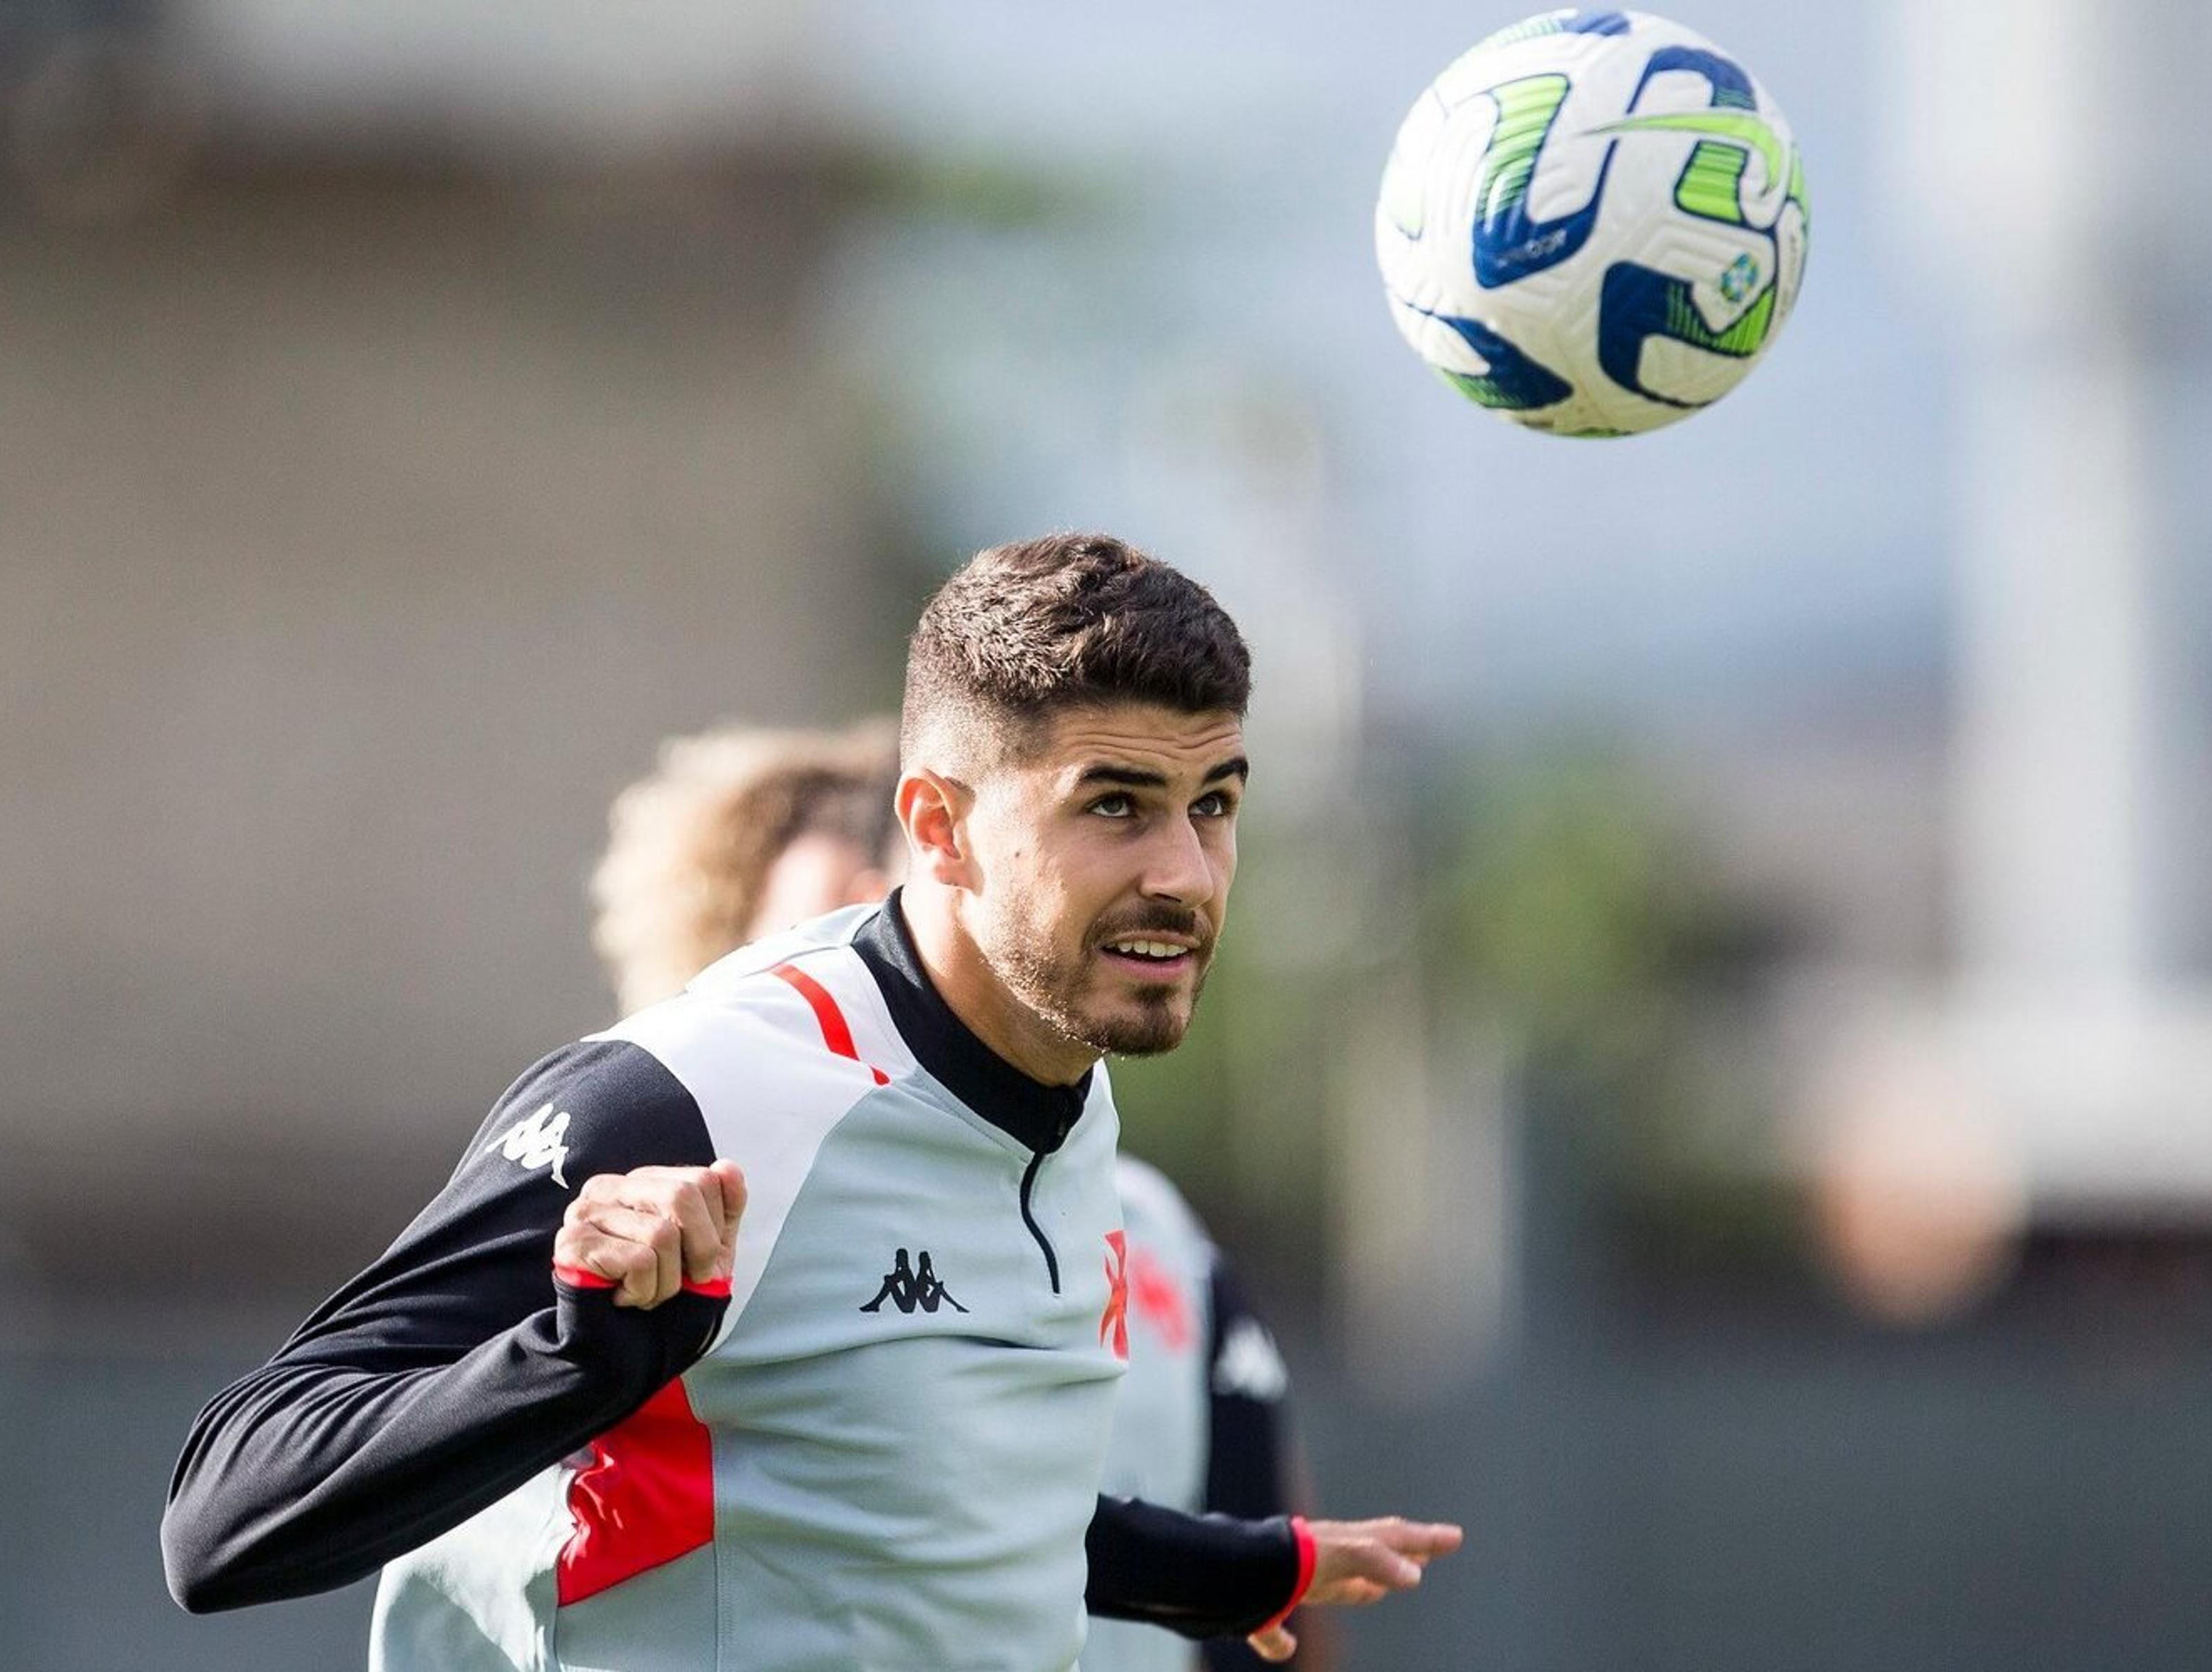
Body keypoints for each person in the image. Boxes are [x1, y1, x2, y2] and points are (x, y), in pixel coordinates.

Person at [162, 534, 1458, 1671]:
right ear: (937, 829)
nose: (1183, 871)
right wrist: (574, 1365)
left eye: (1213, 804)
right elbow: (223, 1514)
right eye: (1113, 806)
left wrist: (1236, 1571)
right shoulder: (696, 1094)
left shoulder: (1068, 1099)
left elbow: (930, 1501)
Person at [589, 720, 1327, 1672]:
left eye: (884, 906)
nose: (862, 950)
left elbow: (1283, 1600)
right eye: (820, 928)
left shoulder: (1158, 1238)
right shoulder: (659, 1228)